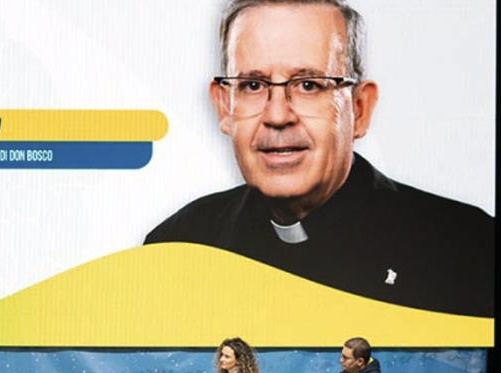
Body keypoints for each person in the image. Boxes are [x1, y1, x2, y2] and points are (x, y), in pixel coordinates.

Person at [145, 0, 493, 318]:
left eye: (309, 85)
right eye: (253, 85)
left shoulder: (469, 251)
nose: (277, 115)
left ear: (360, 109)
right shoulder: (178, 249)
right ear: (225, 107)